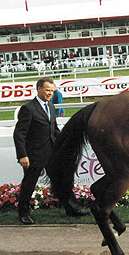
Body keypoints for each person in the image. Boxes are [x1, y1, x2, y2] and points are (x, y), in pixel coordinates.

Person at [13, 77, 88, 224]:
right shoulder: (28, 108)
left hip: (52, 153)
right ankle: (23, 213)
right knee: (29, 184)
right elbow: (19, 134)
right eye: (47, 90)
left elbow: (53, 130)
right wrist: (22, 155)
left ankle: (72, 208)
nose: (50, 94)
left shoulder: (51, 107)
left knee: (62, 180)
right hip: (34, 155)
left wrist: (65, 143)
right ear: (39, 89)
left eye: (52, 91)